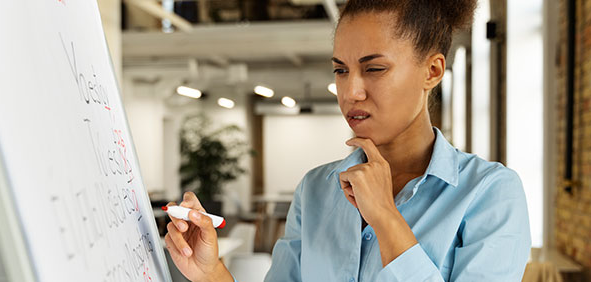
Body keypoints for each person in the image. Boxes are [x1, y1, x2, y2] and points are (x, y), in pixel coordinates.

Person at [164, 0, 532, 281]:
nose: (350, 91)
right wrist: (210, 273)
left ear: (432, 71)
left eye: (374, 69)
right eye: (341, 69)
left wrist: (386, 218)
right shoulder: (315, 190)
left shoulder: (489, 193)